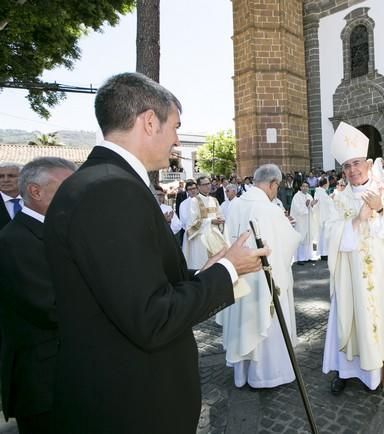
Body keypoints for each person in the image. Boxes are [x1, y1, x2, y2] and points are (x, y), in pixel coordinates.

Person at [43, 72, 269, 434]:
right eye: (176, 126)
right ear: (150, 121)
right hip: (133, 405)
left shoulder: (94, 183)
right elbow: (151, 317)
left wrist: (207, 271)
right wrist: (225, 272)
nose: (178, 140)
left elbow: (131, 289)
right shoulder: (110, 190)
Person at [322, 122, 384, 394]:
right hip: (350, 278)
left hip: (381, 275)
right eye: (347, 166)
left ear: (368, 163)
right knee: (350, 317)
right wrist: (357, 221)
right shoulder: (337, 199)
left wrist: (382, 210)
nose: (352, 170)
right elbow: (329, 235)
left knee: (380, 316)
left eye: (357, 163)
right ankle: (347, 371)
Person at [0, 157, 76, 433]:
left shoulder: (54, 231)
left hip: (64, 378)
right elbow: (50, 309)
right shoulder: (15, 241)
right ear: (35, 191)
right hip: (43, 385)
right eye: (68, 188)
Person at [216, 164, 301, 388]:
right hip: (263, 280)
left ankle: (242, 374)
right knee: (266, 321)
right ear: (273, 184)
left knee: (243, 320)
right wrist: (290, 228)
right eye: (277, 187)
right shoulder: (269, 209)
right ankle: (268, 375)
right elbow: (286, 244)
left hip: (239, 276)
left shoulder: (236, 205)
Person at [183, 175, 227, 269]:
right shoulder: (194, 201)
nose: (208, 186)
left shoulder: (214, 200)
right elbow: (193, 222)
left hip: (215, 235)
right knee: (202, 264)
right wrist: (211, 221)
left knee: (217, 263)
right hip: (201, 238)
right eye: (205, 184)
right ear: (198, 187)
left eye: (209, 183)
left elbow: (220, 215)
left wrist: (220, 220)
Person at [290, 182, 318, 264]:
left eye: (307, 186)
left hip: (308, 221)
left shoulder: (309, 196)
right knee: (301, 238)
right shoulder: (296, 196)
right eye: (303, 186)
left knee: (308, 238)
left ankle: (308, 256)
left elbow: (312, 209)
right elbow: (297, 209)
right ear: (300, 187)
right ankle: (300, 258)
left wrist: (312, 205)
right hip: (300, 221)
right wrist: (306, 206)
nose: (305, 188)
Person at [314, 177, 334, 260]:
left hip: (321, 217)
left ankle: (323, 253)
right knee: (324, 237)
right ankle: (324, 253)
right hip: (324, 218)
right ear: (325, 184)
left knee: (322, 236)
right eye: (328, 183)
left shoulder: (319, 192)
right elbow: (327, 204)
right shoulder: (321, 193)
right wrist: (331, 198)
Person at [0, 162, 23, 230]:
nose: (6, 180)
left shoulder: (36, 200)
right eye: (1, 176)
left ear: (23, 177)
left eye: (11, 176)